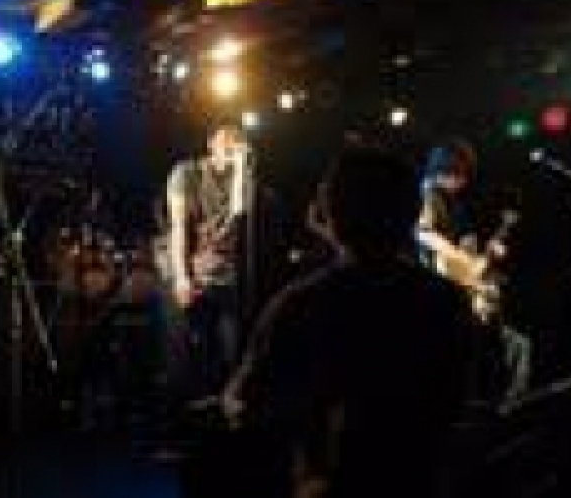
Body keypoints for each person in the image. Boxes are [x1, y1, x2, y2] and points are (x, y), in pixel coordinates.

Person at [217, 142, 476, 497]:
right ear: (413, 213)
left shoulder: (301, 305)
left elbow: (247, 403)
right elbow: (456, 405)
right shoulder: (448, 302)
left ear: (331, 218)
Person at [415, 137, 531, 405]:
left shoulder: (452, 204)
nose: (465, 181)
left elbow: (468, 250)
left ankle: (499, 402)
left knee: (511, 345)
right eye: (461, 173)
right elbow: (423, 234)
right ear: (447, 169)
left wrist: (483, 256)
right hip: (442, 295)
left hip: (458, 289)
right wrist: (465, 263)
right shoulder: (429, 194)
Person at [164, 123, 255, 404]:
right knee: (191, 350)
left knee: (231, 350)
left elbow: (238, 220)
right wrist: (182, 276)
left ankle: (223, 406)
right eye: (226, 139)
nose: (232, 145)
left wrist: (240, 171)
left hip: (226, 275)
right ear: (211, 144)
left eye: (237, 141)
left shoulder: (243, 178)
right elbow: (179, 227)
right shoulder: (186, 173)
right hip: (190, 268)